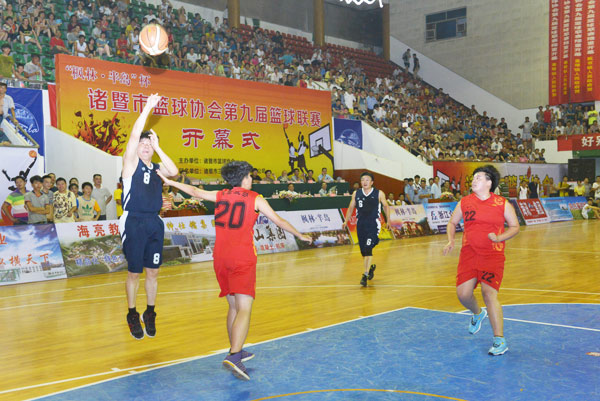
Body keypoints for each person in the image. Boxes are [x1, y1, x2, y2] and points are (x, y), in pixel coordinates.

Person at [157, 161, 311, 380]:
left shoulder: (221, 195)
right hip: (242, 257)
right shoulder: (255, 198)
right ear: (244, 178)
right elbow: (278, 220)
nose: (252, 179)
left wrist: (170, 182)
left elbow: (194, 191)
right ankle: (235, 355)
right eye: (250, 176)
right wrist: (300, 234)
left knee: (232, 306)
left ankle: (234, 348)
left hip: (220, 257)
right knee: (244, 308)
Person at [443, 165, 520, 356]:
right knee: (463, 295)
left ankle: (499, 340)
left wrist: (500, 238)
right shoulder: (465, 202)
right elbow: (452, 222)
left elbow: (515, 226)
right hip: (469, 254)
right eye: (473, 177)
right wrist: (451, 240)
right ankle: (478, 313)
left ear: (489, 182)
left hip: (492, 255)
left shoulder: (502, 203)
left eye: (479, 177)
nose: (474, 180)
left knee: (488, 293)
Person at [120, 93, 178, 340]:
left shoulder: (157, 168)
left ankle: (150, 312)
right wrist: (147, 108)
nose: (145, 145)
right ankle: (132, 313)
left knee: (153, 271)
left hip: (154, 222)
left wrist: (158, 146)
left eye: (149, 143)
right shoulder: (130, 164)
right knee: (134, 272)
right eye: (143, 142)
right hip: (133, 220)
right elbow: (134, 136)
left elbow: (173, 171)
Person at [342, 172, 390, 287]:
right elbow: (351, 207)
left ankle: (365, 274)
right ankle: (370, 268)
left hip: (373, 224)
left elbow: (386, 206)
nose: (364, 182)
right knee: (364, 252)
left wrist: (388, 220)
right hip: (361, 225)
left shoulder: (379, 193)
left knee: (368, 248)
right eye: (363, 180)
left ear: (372, 182)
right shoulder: (356, 193)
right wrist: (346, 221)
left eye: (367, 180)